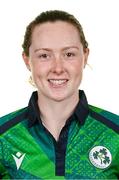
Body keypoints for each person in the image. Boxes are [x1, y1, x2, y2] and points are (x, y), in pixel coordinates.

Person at [0, 10, 119, 179]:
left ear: (85, 56)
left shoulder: (114, 133)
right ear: (27, 59)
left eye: (69, 54)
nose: (57, 68)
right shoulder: (4, 137)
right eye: (44, 55)